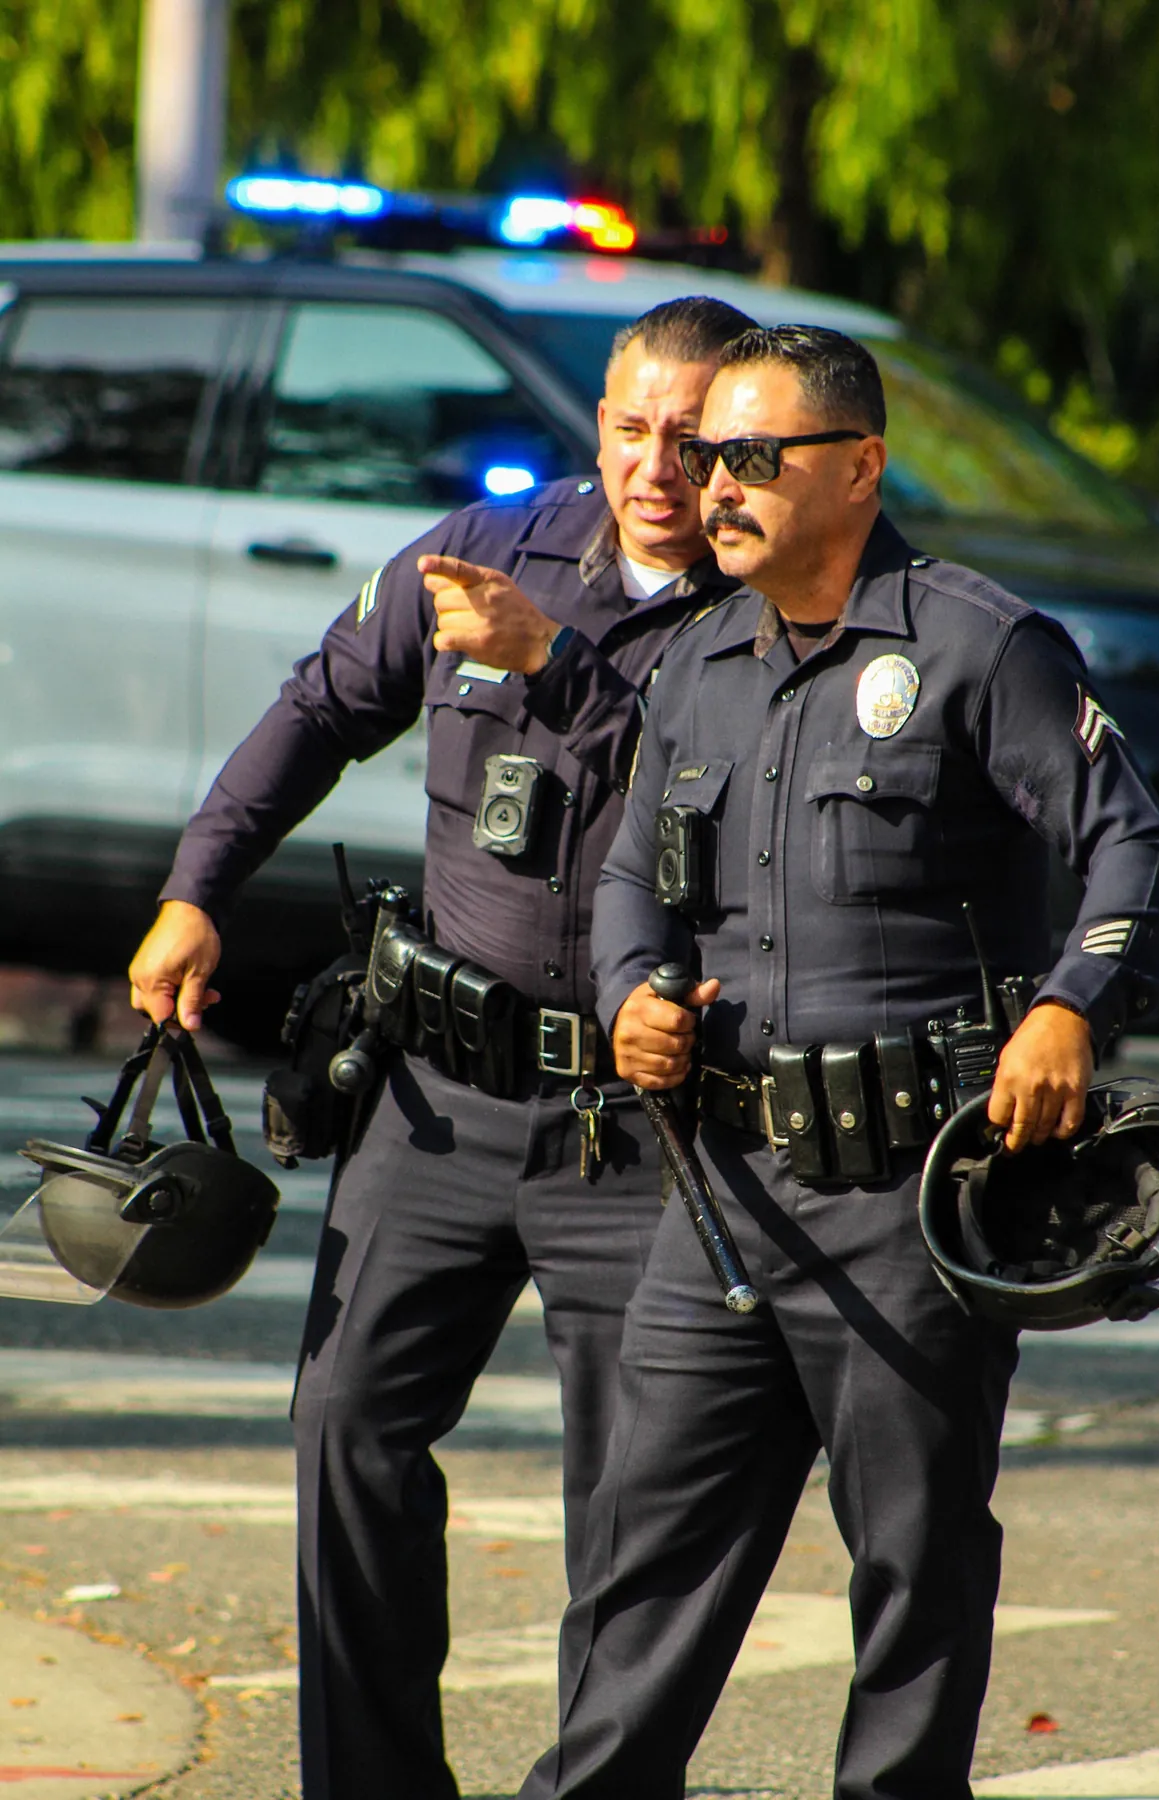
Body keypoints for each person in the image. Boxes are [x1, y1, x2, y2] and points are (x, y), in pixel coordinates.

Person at [519, 324, 1159, 1800]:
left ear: (861, 466)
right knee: (643, 1574)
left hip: (907, 1208)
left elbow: (1133, 845)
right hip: (722, 1198)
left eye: (756, 459)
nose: (716, 489)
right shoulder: (700, 656)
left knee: (913, 1573)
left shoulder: (975, 645)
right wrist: (634, 987)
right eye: (706, 459)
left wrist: (1072, 1007)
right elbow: (633, 870)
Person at [126, 295, 755, 1800]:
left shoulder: (771, 608)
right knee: (345, 1433)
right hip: (439, 1092)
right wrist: (193, 894)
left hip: (641, 1131)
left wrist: (559, 669)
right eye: (629, 430)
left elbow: (711, 799)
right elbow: (315, 712)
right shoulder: (484, 550)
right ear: (591, 423)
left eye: (693, 440)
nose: (657, 468)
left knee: (636, 1511)